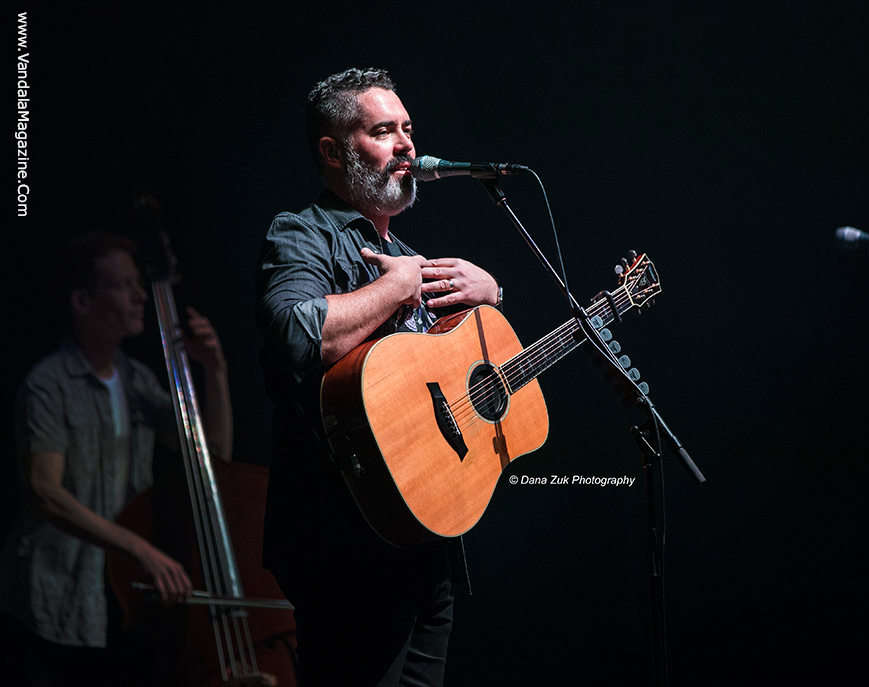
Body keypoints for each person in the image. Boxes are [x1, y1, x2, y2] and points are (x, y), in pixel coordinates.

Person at [256, 67, 502, 686]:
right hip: (344, 544)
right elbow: (294, 331)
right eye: (384, 131)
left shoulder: (414, 257)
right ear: (334, 152)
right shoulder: (302, 233)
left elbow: (457, 374)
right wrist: (395, 286)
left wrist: (493, 293)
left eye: (409, 130)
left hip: (425, 540)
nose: (407, 146)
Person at [0, 231, 233, 685]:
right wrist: (143, 550)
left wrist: (216, 371)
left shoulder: (136, 380)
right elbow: (43, 493)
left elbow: (213, 457)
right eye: (123, 285)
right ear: (83, 301)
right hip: (49, 595)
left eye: (138, 283)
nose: (140, 295)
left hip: (112, 591)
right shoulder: (47, 384)